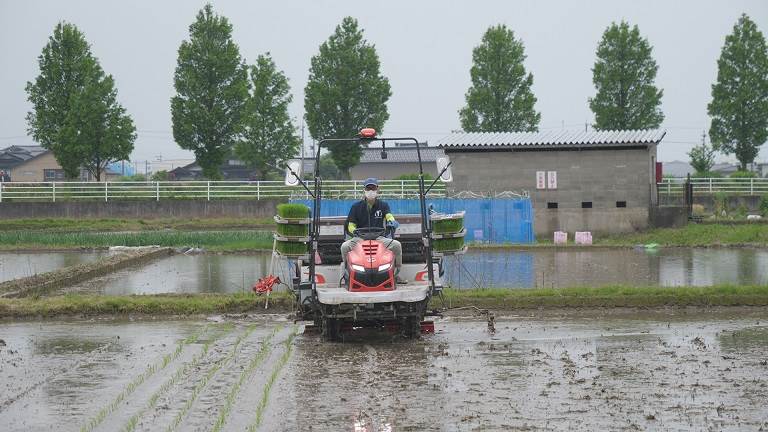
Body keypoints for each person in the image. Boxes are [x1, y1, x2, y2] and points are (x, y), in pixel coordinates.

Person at [341, 178, 405, 283]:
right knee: (344, 247)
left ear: (377, 190)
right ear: (364, 190)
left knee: (397, 245)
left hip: (379, 238)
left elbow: (389, 216)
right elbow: (350, 225)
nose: (371, 191)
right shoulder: (356, 207)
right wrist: (355, 232)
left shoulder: (383, 205)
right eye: (368, 188)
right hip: (360, 238)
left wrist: (392, 221)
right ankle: (346, 274)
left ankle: (396, 274)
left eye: (373, 188)